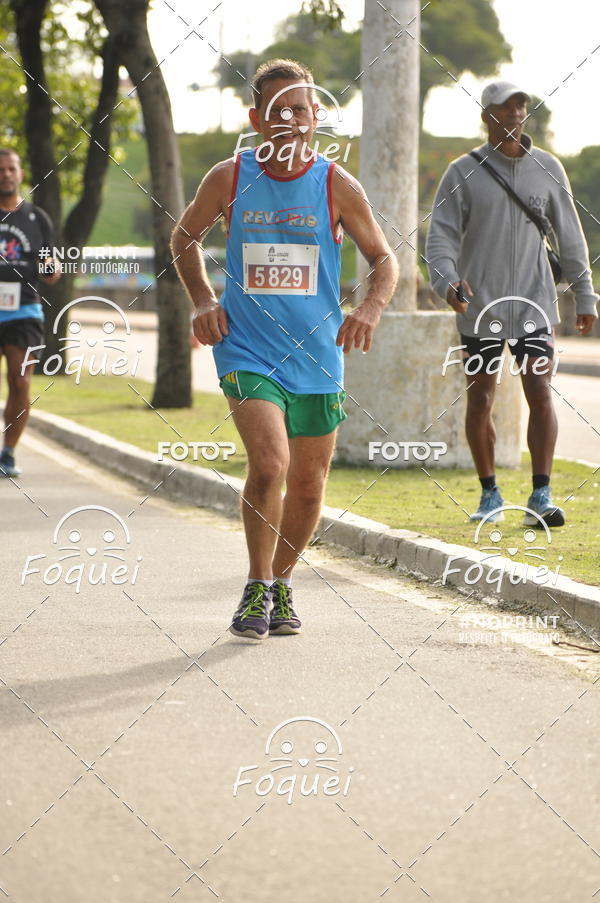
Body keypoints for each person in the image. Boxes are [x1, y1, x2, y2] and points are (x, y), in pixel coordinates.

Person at [172, 59, 398, 639]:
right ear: (257, 118)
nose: (290, 120)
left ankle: (282, 583)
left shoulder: (336, 185)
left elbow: (385, 259)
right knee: (271, 463)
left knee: (309, 483)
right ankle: (255, 586)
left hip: (318, 353)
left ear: (316, 116)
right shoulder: (230, 177)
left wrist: (369, 308)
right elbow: (184, 236)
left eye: (300, 109)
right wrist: (202, 300)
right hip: (246, 348)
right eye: (277, 110)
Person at [426, 80, 598, 526]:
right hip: (479, 309)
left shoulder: (548, 168)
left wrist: (585, 294)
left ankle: (541, 495)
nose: (514, 115)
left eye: (520, 107)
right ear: (487, 117)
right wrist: (447, 282)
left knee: (540, 392)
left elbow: (571, 236)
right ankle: (490, 496)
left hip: (536, 306)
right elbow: (440, 237)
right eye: (505, 108)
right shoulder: (461, 170)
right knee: (481, 397)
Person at [0, 148, 61, 477]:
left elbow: (50, 268)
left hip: (24, 311)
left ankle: (7, 453)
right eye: (1, 170)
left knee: (20, 382)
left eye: (11, 168)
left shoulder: (37, 218)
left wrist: (52, 269)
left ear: (20, 173)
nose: (6, 174)